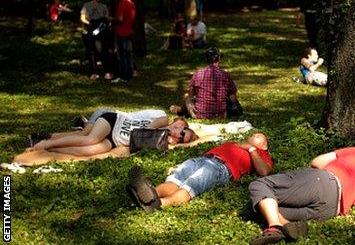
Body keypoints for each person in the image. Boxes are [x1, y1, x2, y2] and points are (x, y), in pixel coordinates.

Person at [248, 147, 355, 245]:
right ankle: (287, 225)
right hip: (330, 210)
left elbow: (316, 162)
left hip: (326, 182)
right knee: (261, 208)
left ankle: (275, 226)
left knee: (260, 185)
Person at [126, 133, 272, 212]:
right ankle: (148, 195)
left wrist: (251, 148)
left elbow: (264, 171)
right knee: (175, 180)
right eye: (253, 134)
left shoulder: (261, 154)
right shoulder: (235, 144)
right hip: (202, 159)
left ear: (264, 146)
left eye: (259, 136)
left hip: (220, 168)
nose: (254, 135)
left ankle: (158, 204)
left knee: (190, 185)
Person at [13, 109, 198, 166]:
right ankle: (46, 142)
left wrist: (167, 142)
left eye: (183, 139)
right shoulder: (163, 121)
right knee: (89, 139)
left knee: (90, 151)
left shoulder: (163, 142)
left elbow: (134, 146)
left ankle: (49, 149)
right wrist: (163, 136)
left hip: (114, 140)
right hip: (113, 121)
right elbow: (148, 129)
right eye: (183, 132)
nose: (179, 135)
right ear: (178, 124)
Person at [169, 47, 239, 119]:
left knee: (186, 96)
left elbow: (190, 95)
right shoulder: (225, 75)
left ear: (206, 59)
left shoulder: (198, 74)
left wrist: (191, 105)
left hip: (199, 115)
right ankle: (180, 110)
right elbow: (233, 98)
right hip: (221, 115)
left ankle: (181, 110)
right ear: (219, 58)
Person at [80, 0, 112, 80]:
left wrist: (102, 25)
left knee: (103, 50)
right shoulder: (86, 5)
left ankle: (107, 71)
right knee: (91, 51)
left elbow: (106, 18)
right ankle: (93, 72)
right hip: (90, 29)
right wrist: (89, 23)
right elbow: (82, 17)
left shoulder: (103, 6)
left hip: (101, 30)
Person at [112, 0, 136, 83]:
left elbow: (120, 19)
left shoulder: (122, 4)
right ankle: (129, 75)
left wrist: (112, 19)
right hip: (129, 31)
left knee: (122, 55)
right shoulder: (132, 4)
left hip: (121, 32)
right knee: (129, 54)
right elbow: (133, 18)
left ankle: (123, 76)